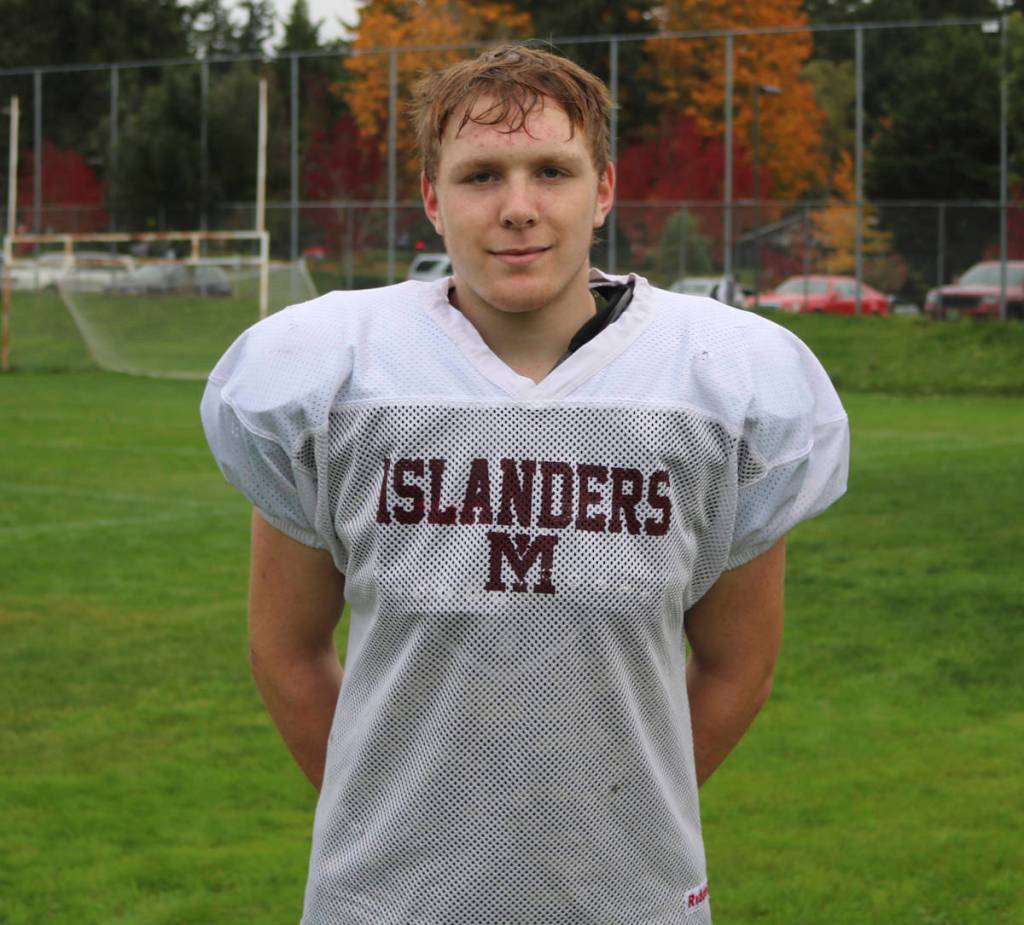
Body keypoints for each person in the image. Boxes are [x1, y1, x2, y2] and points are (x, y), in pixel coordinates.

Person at [201, 44, 848, 925]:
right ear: (432, 197)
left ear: (604, 189)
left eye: (552, 170)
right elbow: (286, 651)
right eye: (480, 176)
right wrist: (406, 818)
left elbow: (738, 665)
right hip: (386, 898)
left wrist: (591, 820)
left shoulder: (719, 381)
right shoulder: (331, 376)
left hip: (629, 893)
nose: (518, 208)